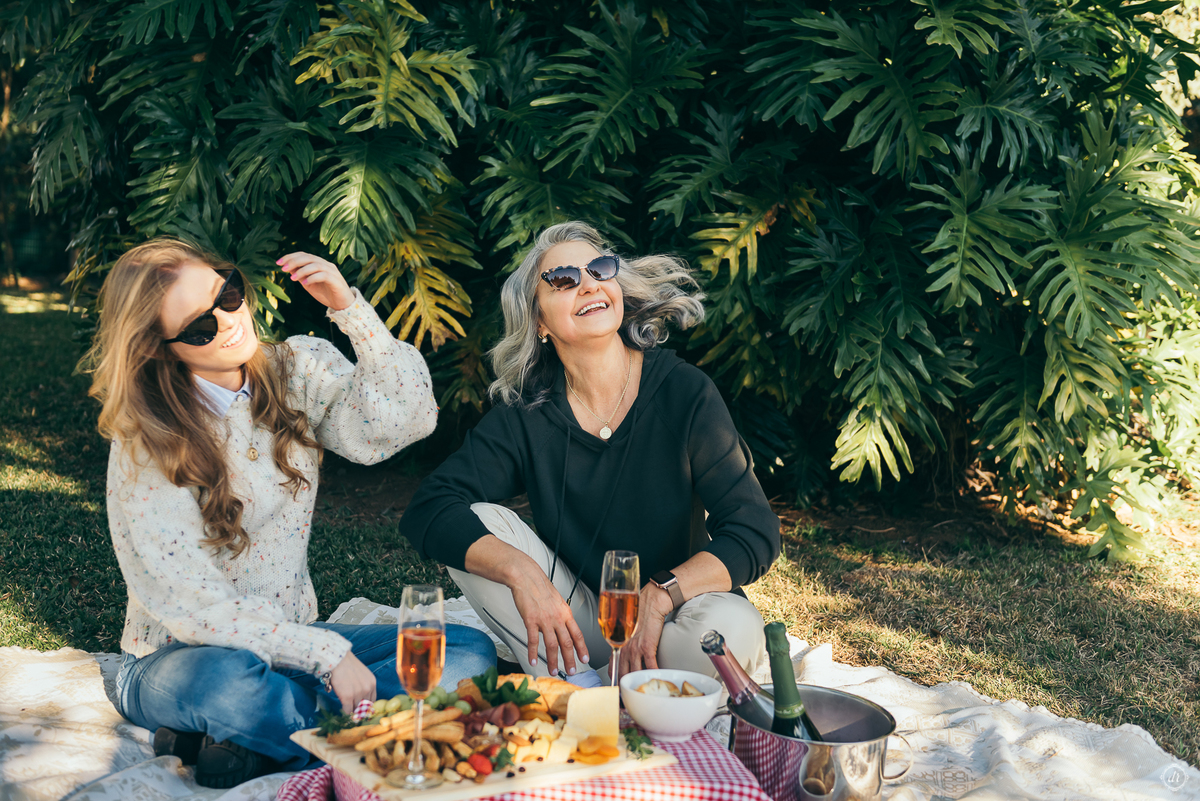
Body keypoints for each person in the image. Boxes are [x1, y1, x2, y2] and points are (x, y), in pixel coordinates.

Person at [85, 239, 495, 788]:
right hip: (183, 657)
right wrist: (326, 656)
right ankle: (326, 728)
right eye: (200, 328)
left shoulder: (295, 368)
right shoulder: (147, 442)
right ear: (160, 348)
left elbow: (408, 418)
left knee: (465, 653)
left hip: (292, 643)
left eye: (227, 295)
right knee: (230, 689)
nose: (229, 321)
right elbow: (193, 604)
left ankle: (247, 744)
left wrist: (349, 308)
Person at [400, 221, 780, 686]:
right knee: (480, 522)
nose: (588, 284)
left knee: (733, 633)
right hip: (578, 622)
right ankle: (590, 685)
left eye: (600, 268)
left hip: (674, 617)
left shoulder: (684, 391)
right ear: (538, 321)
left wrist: (661, 596)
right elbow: (430, 507)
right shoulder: (529, 412)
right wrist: (524, 574)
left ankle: (597, 685)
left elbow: (754, 530)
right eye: (562, 279)